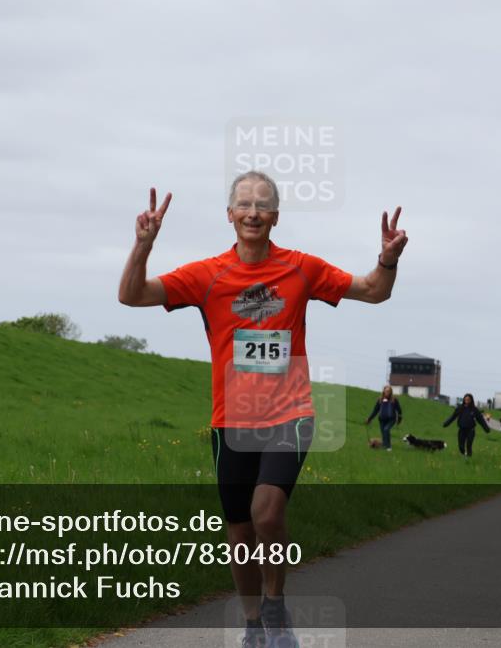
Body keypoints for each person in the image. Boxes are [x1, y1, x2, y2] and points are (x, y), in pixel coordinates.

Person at [118, 172, 408, 648]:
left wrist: (387, 259)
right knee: (239, 529)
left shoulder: (301, 268)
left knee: (266, 512)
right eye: (244, 204)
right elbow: (131, 295)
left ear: (275, 216)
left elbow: (374, 290)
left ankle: (275, 606)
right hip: (231, 422)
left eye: (263, 205)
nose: (253, 213)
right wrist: (143, 245)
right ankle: (254, 626)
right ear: (229, 214)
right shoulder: (206, 275)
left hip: (289, 415)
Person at [365, 385, 403, 451]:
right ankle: (384, 446)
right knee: (383, 434)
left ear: (391, 392)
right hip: (382, 420)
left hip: (391, 419)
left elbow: (399, 410)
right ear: (383, 391)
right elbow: (375, 410)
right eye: (386, 391)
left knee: (386, 429)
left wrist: (399, 420)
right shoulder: (380, 400)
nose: (387, 392)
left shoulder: (394, 400)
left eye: (388, 391)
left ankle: (389, 447)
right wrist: (369, 419)